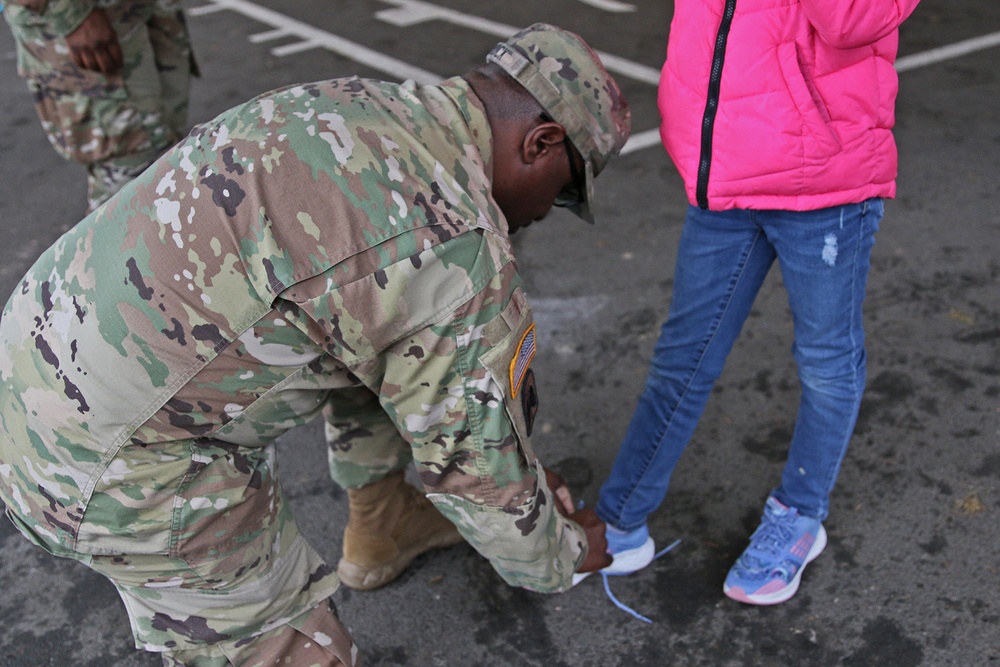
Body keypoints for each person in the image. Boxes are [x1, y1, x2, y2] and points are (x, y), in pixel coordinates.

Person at [0, 23, 629, 666]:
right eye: (563, 191)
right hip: (109, 464)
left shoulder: (355, 103)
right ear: (542, 142)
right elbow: (485, 481)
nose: (544, 214)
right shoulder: (454, 241)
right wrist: (566, 549)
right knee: (291, 653)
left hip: (34, 359)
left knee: (384, 330)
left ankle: (381, 523)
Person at [594, 0, 922, 605]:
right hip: (725, 170)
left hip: (825, 181)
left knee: (825, 362)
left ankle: (800, 514)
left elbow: (851, 19)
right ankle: (621, 517)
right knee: (681, 358)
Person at [3, 0, 195, 212]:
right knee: (132, 185)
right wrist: (70, 14)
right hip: (82, 24)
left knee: (167, 160)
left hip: (143, 13)